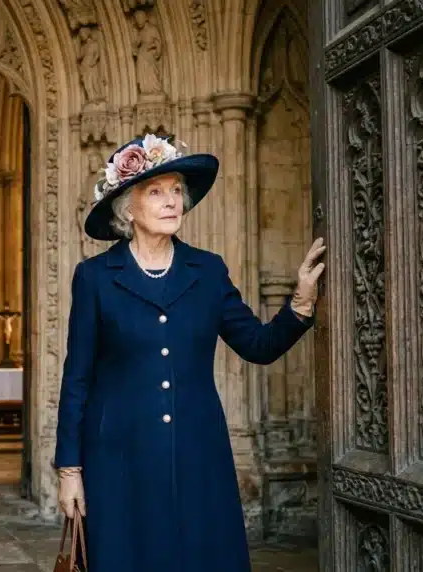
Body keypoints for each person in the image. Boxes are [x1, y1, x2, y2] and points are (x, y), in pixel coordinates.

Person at [54, 133, 325, 571]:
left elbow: (257, 346)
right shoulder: (96, 278)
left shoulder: (208, 270)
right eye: (156, 192)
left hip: (199, 455)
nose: (171, 201)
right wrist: (70, 470)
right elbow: (77, 378)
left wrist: (300, 304)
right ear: (128, 208)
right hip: (119, 460)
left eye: (177, 190)